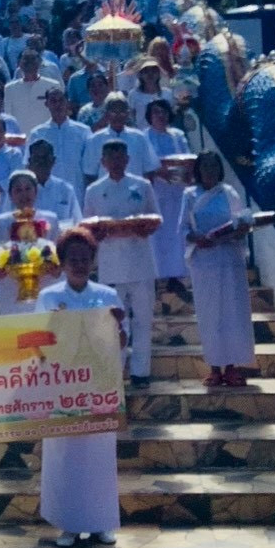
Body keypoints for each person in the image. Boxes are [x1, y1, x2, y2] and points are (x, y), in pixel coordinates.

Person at [36, 228, 123, 548]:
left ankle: (101, 523)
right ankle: (69, 524)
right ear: (62, 262)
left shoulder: (107, 296)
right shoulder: (48, 297)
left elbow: (121, 341)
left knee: (99, 455)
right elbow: (38, 343)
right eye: (73, 259)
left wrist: (117, 327)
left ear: (93, 261)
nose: (79, 264)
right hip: (62, 387)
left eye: (85, 258)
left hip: (98, 387)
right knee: (66, 456)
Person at [83, 140, 160, 387]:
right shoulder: (94, 190)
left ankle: (141, 373)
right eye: (111, 157)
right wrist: (100, 232)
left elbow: (155, 217)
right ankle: (115, 371)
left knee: (143, 320)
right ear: (103, 162)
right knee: (114, 322)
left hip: (140, 262)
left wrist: (143, 227)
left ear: (127, 159)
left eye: (120, 157)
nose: (116, 162)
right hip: (111, 264)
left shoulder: (142, 186)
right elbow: (87, 226)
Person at [180, 152, 257, 387]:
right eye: (205, 166)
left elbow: (241, 223)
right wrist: (198, 238)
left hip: (230, 260)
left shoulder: (229, 193)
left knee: (232, 313)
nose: (209, 171)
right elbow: (183, 229)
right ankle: (214, 368)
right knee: (210, 314)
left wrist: (239, 230)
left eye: (214, 166)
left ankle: (232, 368)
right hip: (204, 262)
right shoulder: (189, 195)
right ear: (198, 169)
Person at [0, 170, 62, 315]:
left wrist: (55, 267)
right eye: (18, 190)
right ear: (11, 195)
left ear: (36, 192)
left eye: (28, 189)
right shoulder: (1, 222)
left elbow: (59, 254)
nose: (24, 194)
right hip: (11, 287)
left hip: (46, 284)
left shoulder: (51, 219)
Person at [143, 99, 192, 285]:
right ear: (150, 116)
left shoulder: (178, 135)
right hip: (156, 191)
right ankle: (158, 274)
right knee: (158, 233)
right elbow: (143, 163)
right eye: (156, 112)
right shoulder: (144, 137)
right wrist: (158, 171)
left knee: (177, 231)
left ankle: (178, 274)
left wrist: (185, 172)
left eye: (163, 112)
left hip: (178, 190)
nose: (160, 116)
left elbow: (188, 158)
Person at [26, 86, 91, 204]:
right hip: (46, 195)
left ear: (67, 102)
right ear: (46, 104)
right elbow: (28, 166)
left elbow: (90, 167)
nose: (58, 105)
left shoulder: (83, 132)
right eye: (53, 101)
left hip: (77, 193)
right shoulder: (38, 133)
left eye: (61, 100)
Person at [84, 93, 157, 181]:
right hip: (106, 189)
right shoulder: (95, 140)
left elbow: (150, 170)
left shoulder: (139, 138)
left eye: (122, 112)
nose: (118, 116)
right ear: (106, 114)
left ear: (128, 113)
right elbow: (90, 173)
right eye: (113, 112)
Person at [26, 139, 83, 228]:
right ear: (29, 161)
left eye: (45, 158)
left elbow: (77, 223)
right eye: (37, 158)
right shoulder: (20, 190)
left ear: (53, 160)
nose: (41, 162)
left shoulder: (66, 190)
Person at [4, 49, 56, 130]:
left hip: (45, 135)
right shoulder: (9, 88)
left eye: (33, 59)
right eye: (26, 59)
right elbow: (8, 117)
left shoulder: (53, 86)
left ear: (40, 63)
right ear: (19, 64)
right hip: (20, 136)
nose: (29, 62)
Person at [127, 57, 174, 128]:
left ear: (159, 74)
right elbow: (131, 117)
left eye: (154, 71)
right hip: (141, 133)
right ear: (140, 74)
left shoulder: (168, 94)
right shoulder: (133, 94)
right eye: (146, 71)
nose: (150, 74)